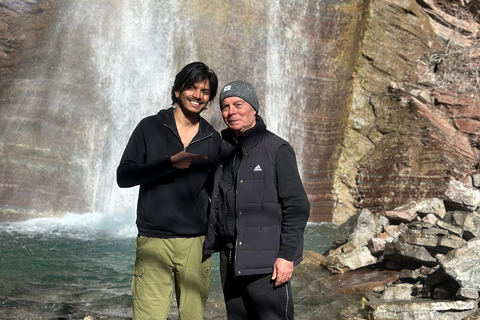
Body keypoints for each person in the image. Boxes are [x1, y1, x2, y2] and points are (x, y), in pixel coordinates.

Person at [116, 61, 221, 320]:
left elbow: (217, 193)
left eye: (205, 92)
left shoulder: (213, 138)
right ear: (177, 91)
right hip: (154, 241)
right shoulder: (149, 127)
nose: (198, 95)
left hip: (196, 246)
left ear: (209, 100)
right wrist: (169, 163)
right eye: (192, 87)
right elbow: (124, 176)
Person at [205, 80, 310, 319]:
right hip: (230, 259)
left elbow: (297, 207)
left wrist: (286, 256)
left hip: (267, 264)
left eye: (238, 104)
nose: (231, 112)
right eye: (225, 106)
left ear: (253, 107)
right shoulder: (223, 149)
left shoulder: (277, 148)